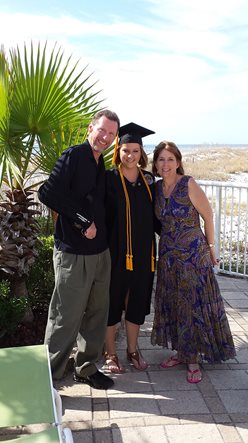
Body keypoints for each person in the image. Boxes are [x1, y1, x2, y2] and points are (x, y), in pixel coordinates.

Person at [38, 110, 120, 390]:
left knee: (97, 314)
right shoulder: (74, 155)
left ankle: (85, 366)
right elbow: (47, 193)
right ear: (90, 128)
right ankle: (48, 375)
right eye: (102, 131)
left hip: (100, 254)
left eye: (111, 134)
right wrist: (83, 221)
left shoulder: (100, 163)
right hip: (73, 253)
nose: (106, 137)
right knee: (66, 316)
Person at [151, 141, 236, 383]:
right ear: (155, 164)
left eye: (170, 159)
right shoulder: (156, 189)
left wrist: (211, 248)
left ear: (178, 162)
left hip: (193, 255)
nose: (165, 164)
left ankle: (193, 360)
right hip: (168, 256)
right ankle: (181, 352)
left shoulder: (188, 183)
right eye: (161, 159)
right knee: (175, 302)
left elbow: (208, 216)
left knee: (192, 304)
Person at [104, 122, 158, 373]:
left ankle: (133, 350)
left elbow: (159, 218)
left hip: (144, 254)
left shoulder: (149, 181)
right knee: (113, 302)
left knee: (137, 302)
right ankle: (111, 354)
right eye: (126, 150)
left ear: (141, 152)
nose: (130, 155)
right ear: (118, 150)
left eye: (135, 151)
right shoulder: (108, 179)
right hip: (115, 254)